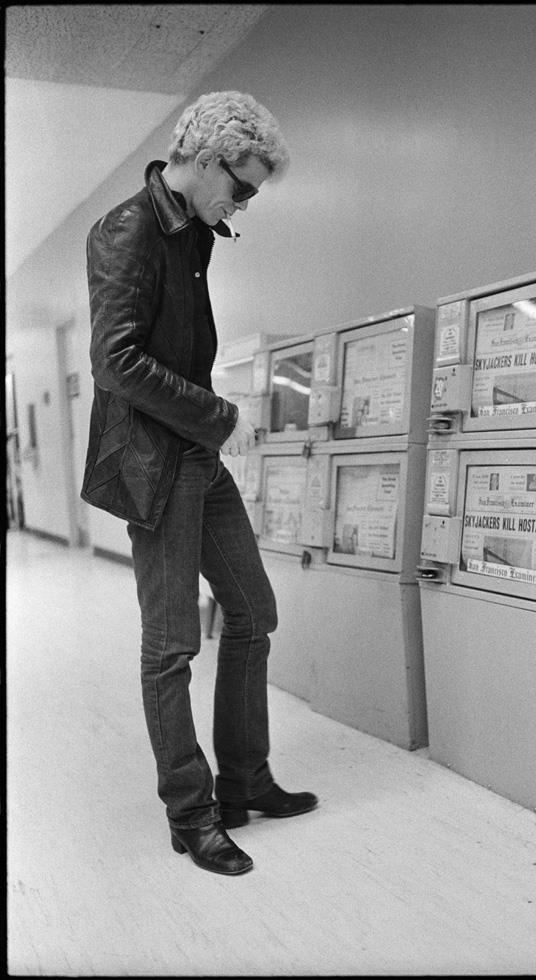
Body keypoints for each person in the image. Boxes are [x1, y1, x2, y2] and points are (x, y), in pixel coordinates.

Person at [81, 91, 317, 877]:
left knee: (252, 612)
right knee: (172, 644)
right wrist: (217, 415)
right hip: (156, 463)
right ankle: (192, 814)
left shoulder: (192, 231)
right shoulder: (129, 230)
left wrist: (207, 429)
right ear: (208, 159)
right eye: (241, 187)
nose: (242, 204)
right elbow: (115, 362)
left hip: (194, 457)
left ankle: (244, 781)